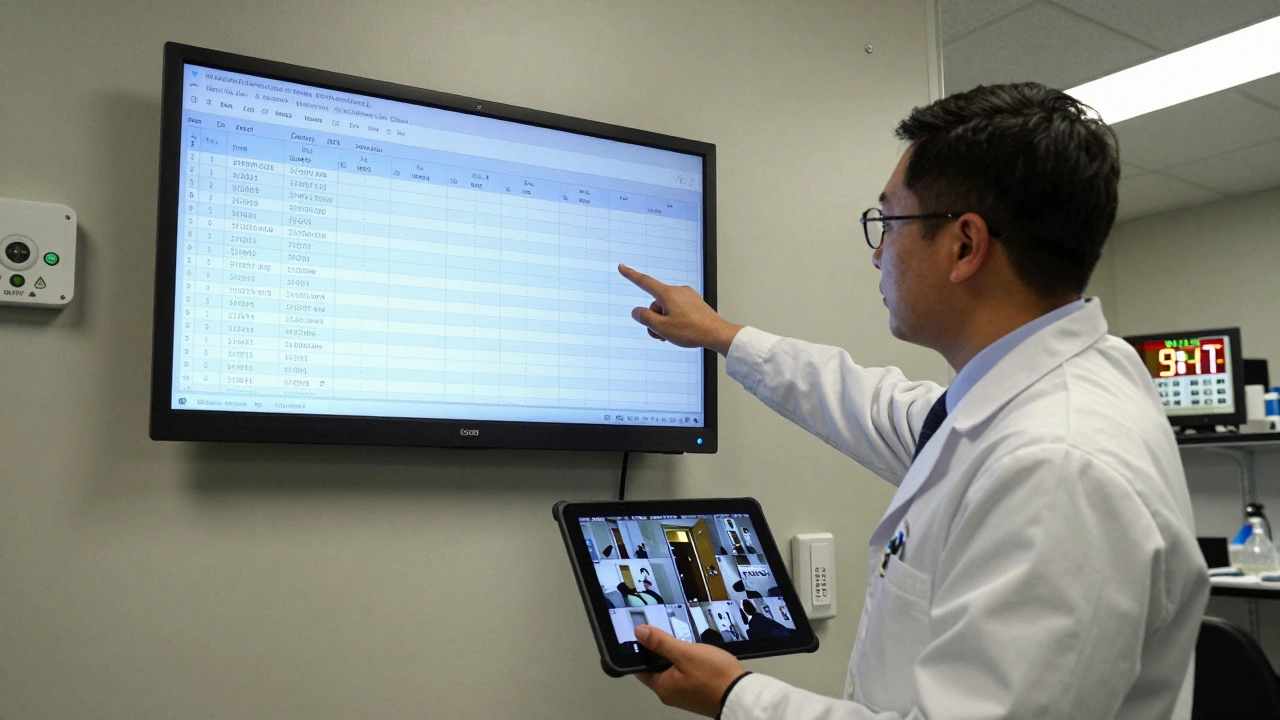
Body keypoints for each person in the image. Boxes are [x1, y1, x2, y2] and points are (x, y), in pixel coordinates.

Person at [619, 83, 1210, 720]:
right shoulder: (1036, 396)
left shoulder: (1057, 467)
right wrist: (723, 336)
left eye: (889, 222)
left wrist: (737, 696)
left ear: (965, 245)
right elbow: (876, 405)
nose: (878, 254)